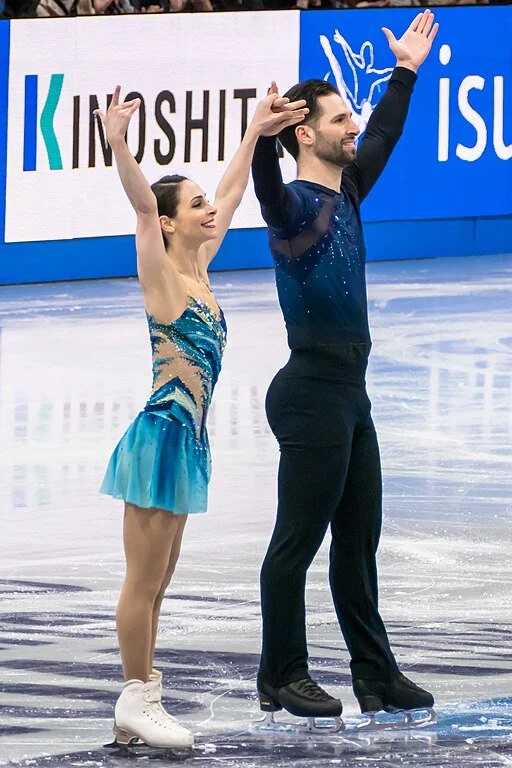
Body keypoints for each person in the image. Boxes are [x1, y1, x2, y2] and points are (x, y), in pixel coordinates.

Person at [96, 86, 308, 750]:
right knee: (143, 579)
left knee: (158, 582)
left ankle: (138, 702)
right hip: (160, 437)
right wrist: (118, 142)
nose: (210, 207)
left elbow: (236, 189)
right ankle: (138, 698)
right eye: (195, 205)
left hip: (187, 441)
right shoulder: (159, 272)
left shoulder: (201, 268)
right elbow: (138, 200)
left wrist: (253, 132)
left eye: (204, 200)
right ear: (167, 222)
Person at [252, 10, 439, 725]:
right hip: (310, 392)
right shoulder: (297, 206)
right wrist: (264, 146)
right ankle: (281, 674)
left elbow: (385, 131)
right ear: (306, 132)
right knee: (296, 542)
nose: (353, 127)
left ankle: (375, 673)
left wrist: (406, 74)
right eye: (340, 120)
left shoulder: (347, 191)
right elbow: (267, 193)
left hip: (349, 393)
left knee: (358, 543)